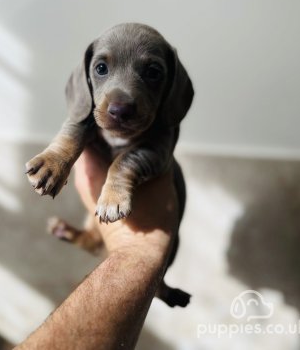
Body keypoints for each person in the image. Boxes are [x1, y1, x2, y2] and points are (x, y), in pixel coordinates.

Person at [17, 146, 180, 349]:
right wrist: (139, 250)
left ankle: (91, 240)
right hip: (142, 230)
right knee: (102, 225)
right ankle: (92, 240)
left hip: (145, 209)